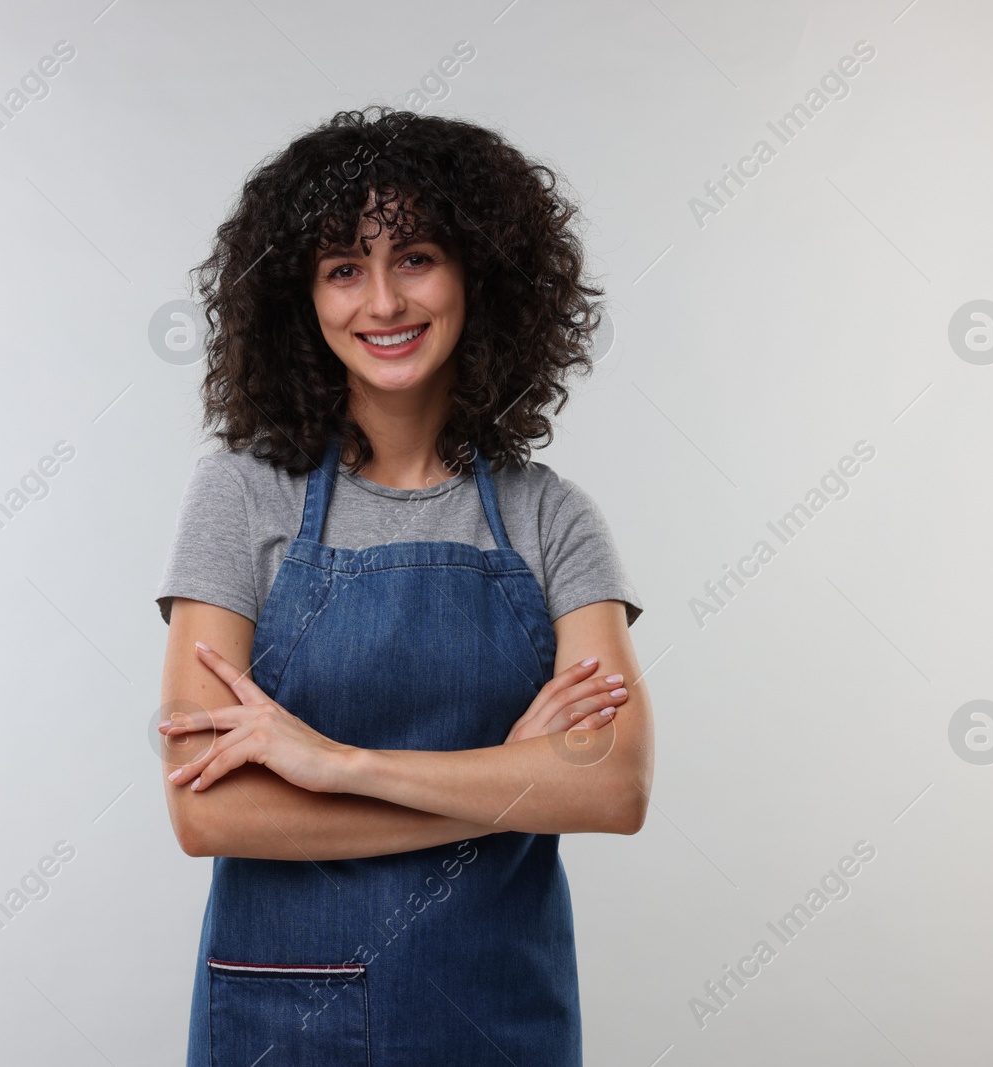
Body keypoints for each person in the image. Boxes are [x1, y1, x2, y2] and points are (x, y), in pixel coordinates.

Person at [154, 105, 652, 1066]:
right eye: (344, 268)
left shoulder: (554, 518)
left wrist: (340, 765)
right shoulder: (239, 497)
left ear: (478, 276)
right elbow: (206, 809)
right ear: (302, 299)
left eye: (415, 256)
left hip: (498, 1012)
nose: (382, 301)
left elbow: (616, 784)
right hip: (284, 1020)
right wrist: (508, 784)